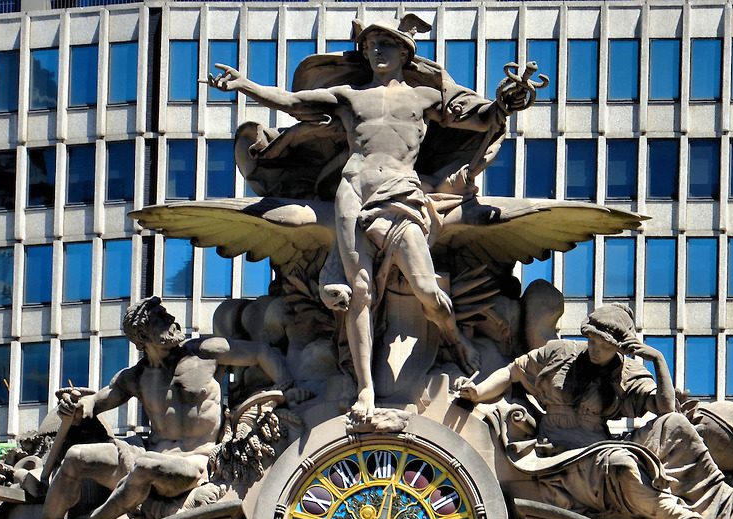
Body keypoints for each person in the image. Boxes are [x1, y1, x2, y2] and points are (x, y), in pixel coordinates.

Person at [209, 16, 533, 417]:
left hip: (402, 193)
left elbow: (480, 117)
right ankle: (365, 389)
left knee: (427, 289)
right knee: (360, 293)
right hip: (353, 190)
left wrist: (504, 103)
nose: (376, 52)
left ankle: (456, 340)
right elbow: (295, 104)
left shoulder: (424, 98)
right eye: (370, 46)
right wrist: (246, 85)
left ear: (404, 52)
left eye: (385, 45)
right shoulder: (349, 96)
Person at [454, 305, 733, 519]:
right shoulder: (559, 353)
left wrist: (658, 360)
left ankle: (721, 499)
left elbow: (664, 409)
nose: (596, 349)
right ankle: (681, 518)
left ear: (620, 348)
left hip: (597, 449)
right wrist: (478, 392)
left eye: (605, 346)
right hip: (557, 452)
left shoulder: (626, 372)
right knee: (624, 465)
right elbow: (513, 372)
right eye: (592, 341)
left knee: (675, 424)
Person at [31, 298, 302, 519]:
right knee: (76, 457)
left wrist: (288, 386)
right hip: (146, 457)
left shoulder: (204, 352)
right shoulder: (135, 377)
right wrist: (76, 405)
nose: (171, 318)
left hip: (195, 463)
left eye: (165, 313)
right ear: (143, 337)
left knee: (146, 466)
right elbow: (94, 404)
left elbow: (261, 353)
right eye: (160, 318)